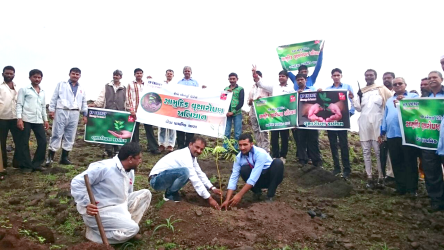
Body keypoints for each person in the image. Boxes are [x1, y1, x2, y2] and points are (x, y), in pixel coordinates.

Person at [71, 142, 152, 243]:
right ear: (130, 159)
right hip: (100, 210)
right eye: (139, 158)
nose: (141, 161)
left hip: (118, 206)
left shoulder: (129, 170)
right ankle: (94, 236)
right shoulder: (104, 168)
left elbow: (128, 192)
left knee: (145, 194)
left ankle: (124, 228)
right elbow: (77, 182)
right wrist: (87, 204)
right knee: (133, 229)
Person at [149, 136, 221, 209]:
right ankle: (170, 194)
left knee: (187, 172)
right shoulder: (185, 156)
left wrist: (212, 187)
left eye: (201, 149)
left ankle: (171, 192)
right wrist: (209, 198)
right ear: (190, 144)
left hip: (162, 178)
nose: (199, 151)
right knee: (185, 172)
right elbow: (195, 179)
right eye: (197, 147)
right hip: (156, 180)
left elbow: (199, 173)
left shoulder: (191, 157)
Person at [221, 133, 284, 209]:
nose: (242, 148)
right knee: (244, 169)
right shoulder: (238, 158)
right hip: (257, 179)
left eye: (245, 145)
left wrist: (239, 195)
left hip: (269, 177)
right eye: (240, 145)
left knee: (278, 163)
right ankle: (257, 192)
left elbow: (254, 176)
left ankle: (270, 195)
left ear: (251, 144)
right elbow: (233, 177)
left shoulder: (260, 153)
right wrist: (227, 200)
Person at [353, 69, 393, 188]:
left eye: (371, 75)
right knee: (366, 151)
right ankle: (369, 176)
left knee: (378, 151)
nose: (369, 77)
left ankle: (381, 176)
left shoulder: (382, 89)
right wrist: (355, 98)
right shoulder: (362, 91)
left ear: (375, 76)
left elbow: (389, 103)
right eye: (367, 75)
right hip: (364, 122)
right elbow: (358, 108)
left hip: (378, 121)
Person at [379, 77, 419, 196]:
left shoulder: (413, 97)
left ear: (405, 85)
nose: (397, 86)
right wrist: (382, 131)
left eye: (400, 83)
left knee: (410, 161)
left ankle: (412, 189)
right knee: (396, 161)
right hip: (392, 135)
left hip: (407, 134)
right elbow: (386, 117)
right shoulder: (390, 100)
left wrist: (404, 101)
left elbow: (418, 111)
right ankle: (401, 187)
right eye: (395, 84)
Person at [46, 68, 87, 166]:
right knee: (57, 133)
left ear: (80, 76)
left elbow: (84, 102)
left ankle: (64, 157)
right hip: (61, 110)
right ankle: (50, 158)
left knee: (70, 134)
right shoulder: (61, 84)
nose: (75, 76)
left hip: (75, 112)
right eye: (73, 74)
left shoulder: (81, 88)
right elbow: (54, 97)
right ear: (69, 74)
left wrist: (85, 114)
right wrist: (52, 110)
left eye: (77, 74)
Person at [255, 69, 295, 163]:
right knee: (274, 137)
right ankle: (275, 155)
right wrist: (255, 74)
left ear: (287, 78)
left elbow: (293, 101)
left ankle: (283, 156)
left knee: (284, 137)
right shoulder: (274, 87)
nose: (281, 78)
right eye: (279, 76)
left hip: (285, 117)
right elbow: (261, 84)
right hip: (274, 117)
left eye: (283, 76)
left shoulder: (291, 89)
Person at [16, 69, 49, 172]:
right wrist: (19, 119)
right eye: (35, 77)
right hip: (26, 119)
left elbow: (43, 106)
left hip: (38, 120)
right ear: (30, 78)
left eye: (39, 77)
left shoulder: (42, 91)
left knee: (43, 141)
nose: (37, 79)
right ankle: (26, 166)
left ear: (41, 79)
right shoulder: (24, 89)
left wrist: (46, 120)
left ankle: (37, 164)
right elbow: (19, 104)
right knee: (24, 142)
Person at [325, 68, 354, 178]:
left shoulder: (347, 87)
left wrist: (349, 114)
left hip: (343, 121)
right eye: (334, 75)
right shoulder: (327, 89)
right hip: (331, 121)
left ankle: (347, 169)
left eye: (338, 75)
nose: (336, 77)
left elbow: (352, 101)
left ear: (341, 76)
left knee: (343, 144)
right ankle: (336, 167)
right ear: (331, 76)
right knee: (333, 144)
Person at [91, 70, 127, 157]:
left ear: (120, 77)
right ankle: (108, 150)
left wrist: (130, 110)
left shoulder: (124, 88)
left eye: (118, 75)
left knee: (118, 130)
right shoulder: (106, 86)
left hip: (120, 113)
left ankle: (117, 150)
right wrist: (95, 104)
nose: (116, 76)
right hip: (108, 112)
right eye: (114, 75)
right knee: (108, 131)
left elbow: (127, 101)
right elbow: (101, 98)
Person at [422, 71, 444, 212]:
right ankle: (436, 200)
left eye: (434, 77)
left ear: (441, 79)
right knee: (431, 172)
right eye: (429, 78)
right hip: (429, 141)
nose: (431, 80)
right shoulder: (425, 99)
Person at [126, 68, 160, 155]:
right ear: (134, 74)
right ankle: (135, 149)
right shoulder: (130, 84)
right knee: (135, 130)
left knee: (149, 129)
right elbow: (129, 97)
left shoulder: (147, 84)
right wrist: (132, 110)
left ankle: (153, 147)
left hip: (145, 110)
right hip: (135, 110)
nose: (139, 75)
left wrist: (151, 81)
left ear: (142, 74)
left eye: (141, 73)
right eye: (137, 73)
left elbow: (155, 90)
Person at [293, 74, 323, 167]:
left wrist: (320, 92)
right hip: (300, 122)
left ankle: (316, 161)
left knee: (313, 141)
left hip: (312, 122)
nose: (300, 81)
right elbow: (291, 108)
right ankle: (302, 160)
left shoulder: (312, 90)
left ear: (306, 80)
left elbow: (320, 101)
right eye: (298, 80)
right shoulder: (294, 93)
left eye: (301, 79)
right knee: (301, 141)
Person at [176, 66, 206, 149]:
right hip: (181, 108)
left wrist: (203, 90)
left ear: (191, 72)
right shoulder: (179, 83)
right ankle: (180, 146)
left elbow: (198, 94)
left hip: (191, 109)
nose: (187, 72)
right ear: (183, 72)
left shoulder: (195, 83)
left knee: (190, 127)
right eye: (185, 71)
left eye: (188, 71)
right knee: (180, 126)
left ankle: (188, 146)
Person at [0, 66, 20, 172]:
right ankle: (3, 165)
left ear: (14, 75)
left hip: (15, 118)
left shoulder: (17, 88)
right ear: (2, 74)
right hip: (2, 118)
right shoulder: (1, 87)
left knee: (19, 141)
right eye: (7, 73)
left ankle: (16, 163)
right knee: (1, 142)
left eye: (11, 74)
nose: (9, 75)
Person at [249, 66, 271, 153]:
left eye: (256, 76)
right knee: (256, 129)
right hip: (253, 109)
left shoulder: (266, 87)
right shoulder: (252, 88)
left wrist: (262, 99)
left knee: (264, 130)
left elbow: (271, 100)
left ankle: (266, 150)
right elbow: (248, 101)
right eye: (254, 77)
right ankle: (259, 149)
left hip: (263, 110)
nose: (255, 78)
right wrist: (251, 101)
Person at [223, 72, 244, 150]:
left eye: (233, 79)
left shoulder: (240, 89)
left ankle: (236, 149)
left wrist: (233, 111)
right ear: (228, 79)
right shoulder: (225, 89)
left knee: (237, 133)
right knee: (226, 132)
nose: (232, 80)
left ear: (237, 79)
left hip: (237, 113)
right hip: (227, 114)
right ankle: (225, 149)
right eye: (230, 79)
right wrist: (226, 93)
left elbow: (241, 102)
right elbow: (222, 99)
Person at [158, 69, 176, 153]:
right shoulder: (161, 84)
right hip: (163, 106)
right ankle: (161, 144)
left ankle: (170, 145)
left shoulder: (176, 85)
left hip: (172, 106)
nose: (169, 75)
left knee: (172, 127)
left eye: (171, 74)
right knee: (162, 126)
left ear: (173, 75)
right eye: (168, 73)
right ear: (165, 74)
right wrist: (149, 81)